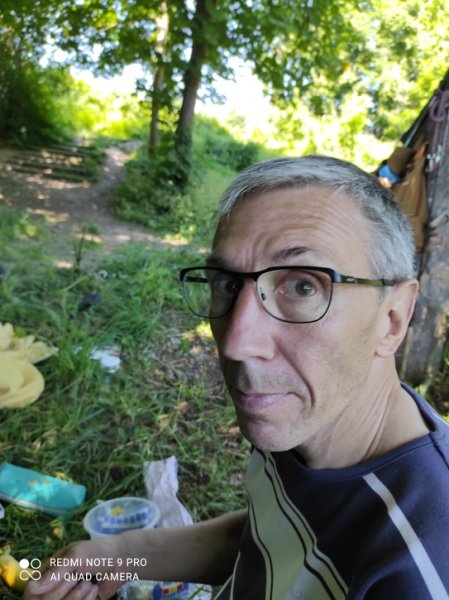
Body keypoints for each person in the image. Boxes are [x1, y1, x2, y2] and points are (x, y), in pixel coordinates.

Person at [26, 156, 449, 600]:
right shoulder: (312, 415)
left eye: (303, 286)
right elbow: (267, 538)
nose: (235, 343)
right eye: (227, 284)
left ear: (393, 318)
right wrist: (115, 555)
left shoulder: (421, 572)